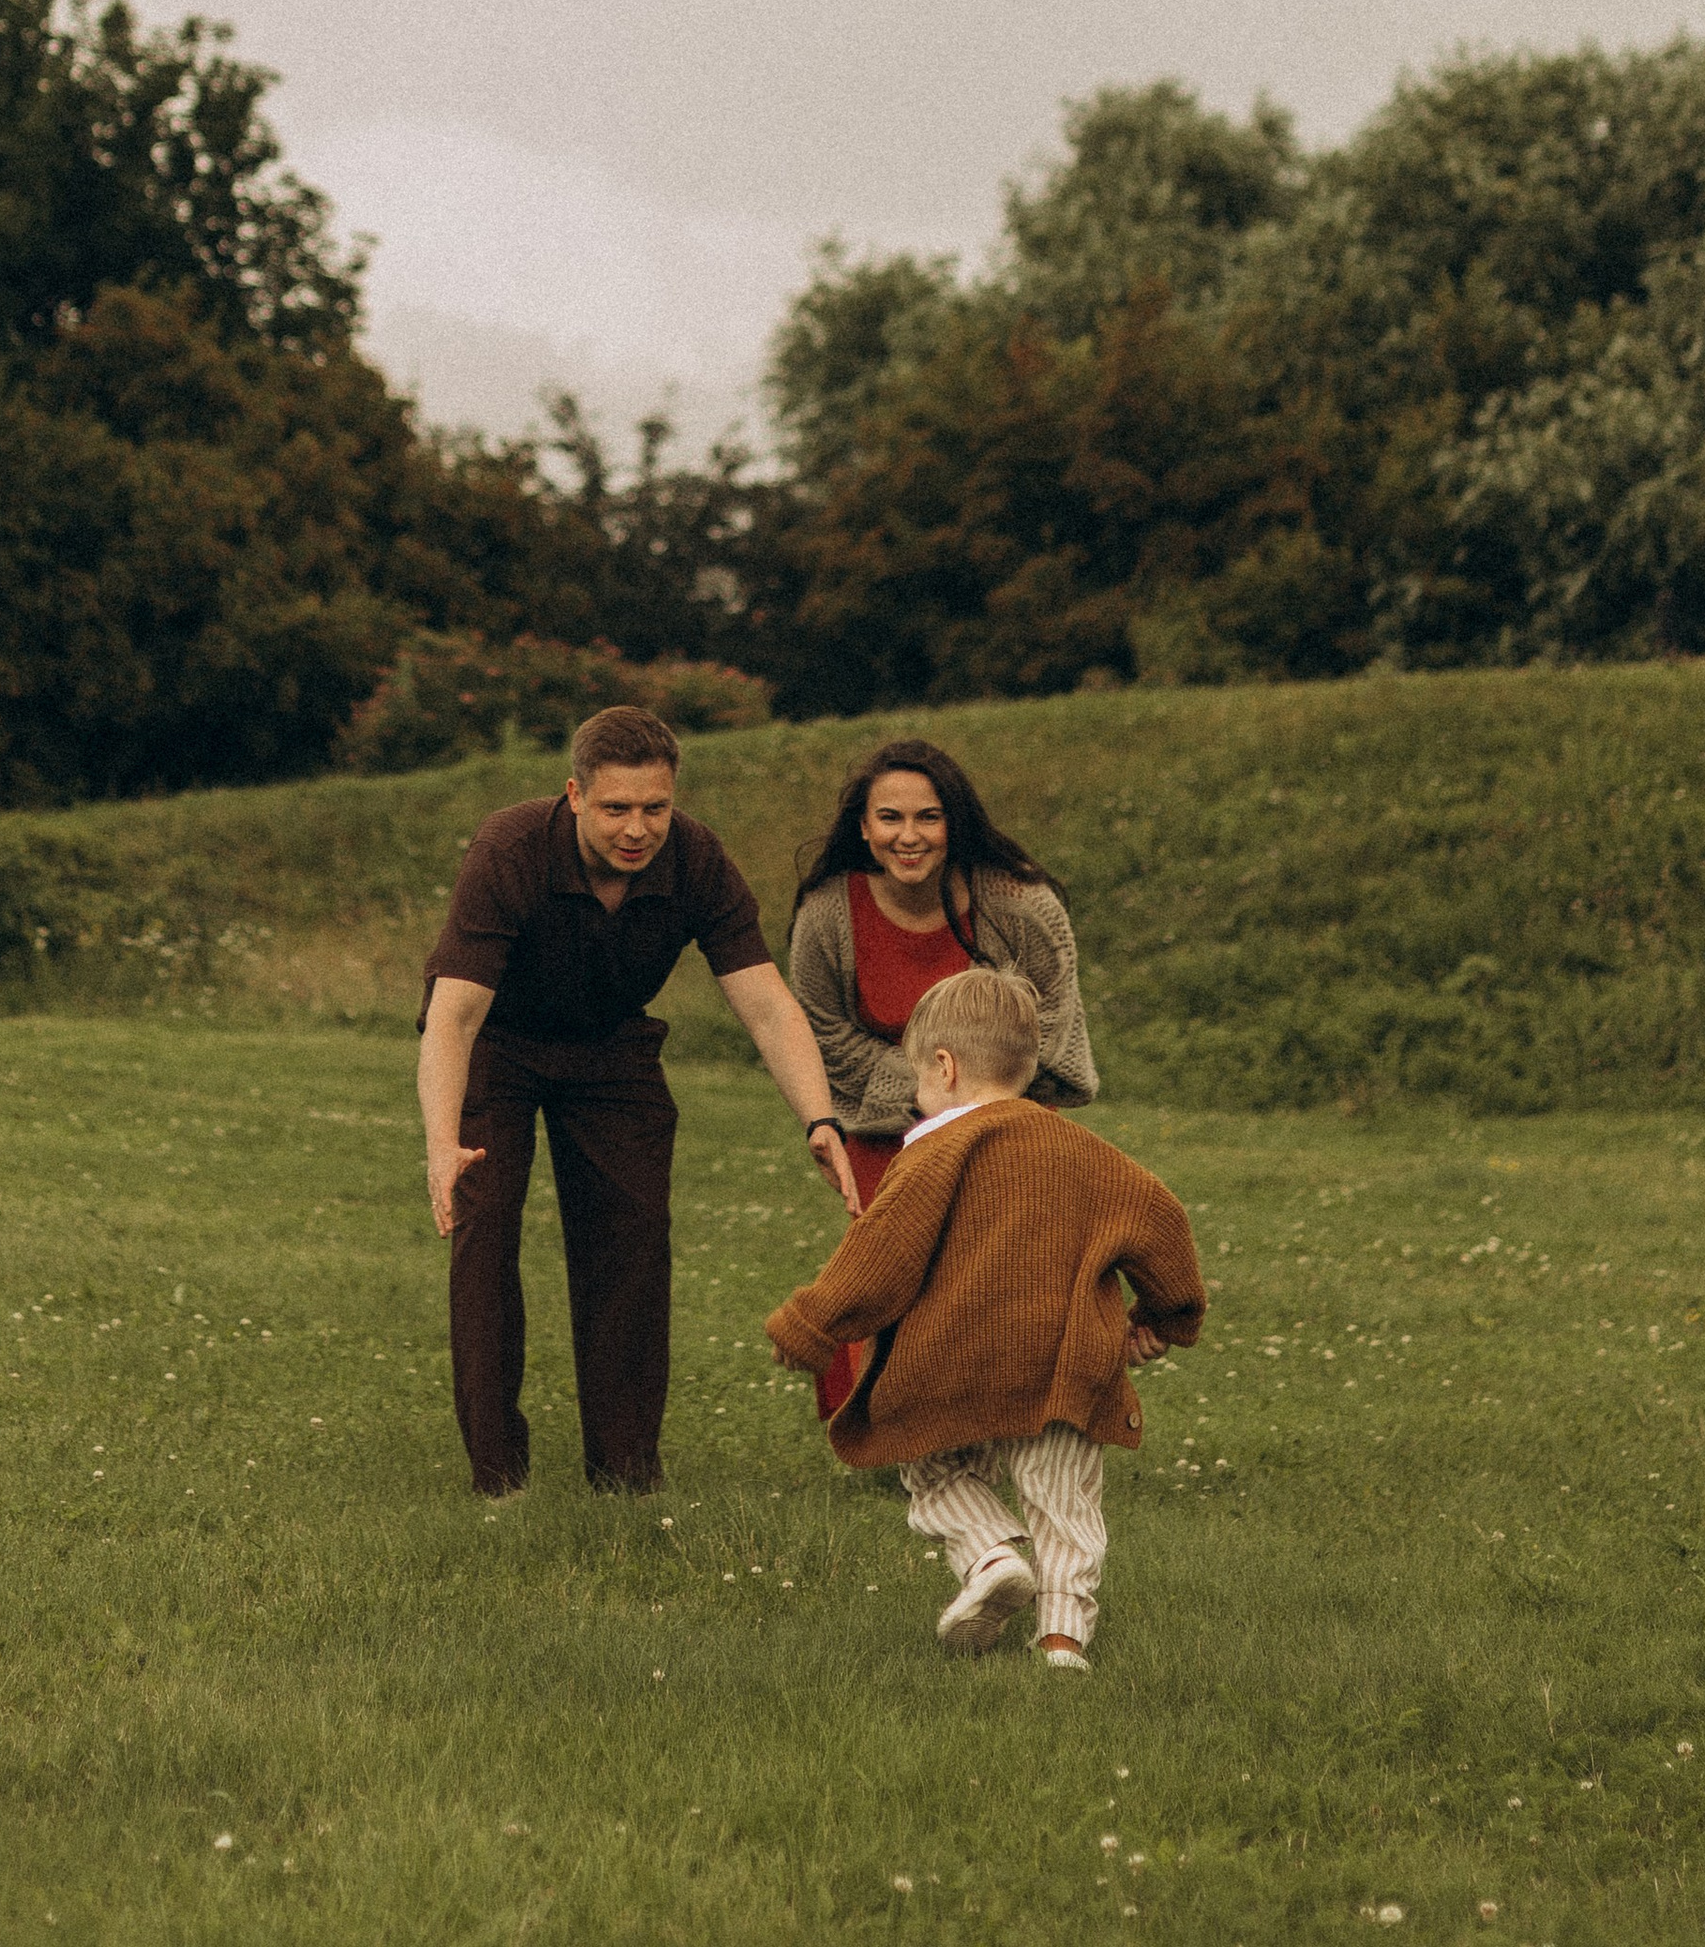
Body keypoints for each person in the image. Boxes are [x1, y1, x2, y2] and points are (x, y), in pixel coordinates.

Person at [418, 703, 859, 1497]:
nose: (637, 828)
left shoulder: (694, 859)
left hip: (612, 1047)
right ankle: (497, 1477)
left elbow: (765, 1001)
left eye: (654, 806)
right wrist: (442, 1141)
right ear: (576, 793)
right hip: (501, 1045)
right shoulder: (509, 850)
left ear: (674, 798)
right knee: (484, 1240)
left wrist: (819, 1117)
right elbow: (454, 1015)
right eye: (616, 807)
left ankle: (624, 1473)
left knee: (632, 1239)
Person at [764, 964, 1205, 1670]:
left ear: (944, 1066)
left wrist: (810, 1325)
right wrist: (1166, 1315)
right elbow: (1163, 1223)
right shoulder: (1093, 1156)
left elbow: (878, 1256)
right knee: (1063, 1507)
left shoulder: (931, 1154)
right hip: (1066, 1366)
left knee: (934, 1470)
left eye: (916, 1081)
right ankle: (1062, 1640)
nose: (915, 1097)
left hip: (951, 1363)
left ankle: (992, 1555)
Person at [788, 738, 1095, 1414]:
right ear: (863, 828)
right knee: (886, 1274)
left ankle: (1012, 1417)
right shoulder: (827, 913)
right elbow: (822, 1032)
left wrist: (971, 1096)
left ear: (955, 822)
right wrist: (927, 1089)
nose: (909, 835)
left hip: (1002, 1119)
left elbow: (1050, 1022)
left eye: (928, 817)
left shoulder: (1019, 903)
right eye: (890, 818)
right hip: (886, 1126)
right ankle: (887, 1424)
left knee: (1002, 1278)